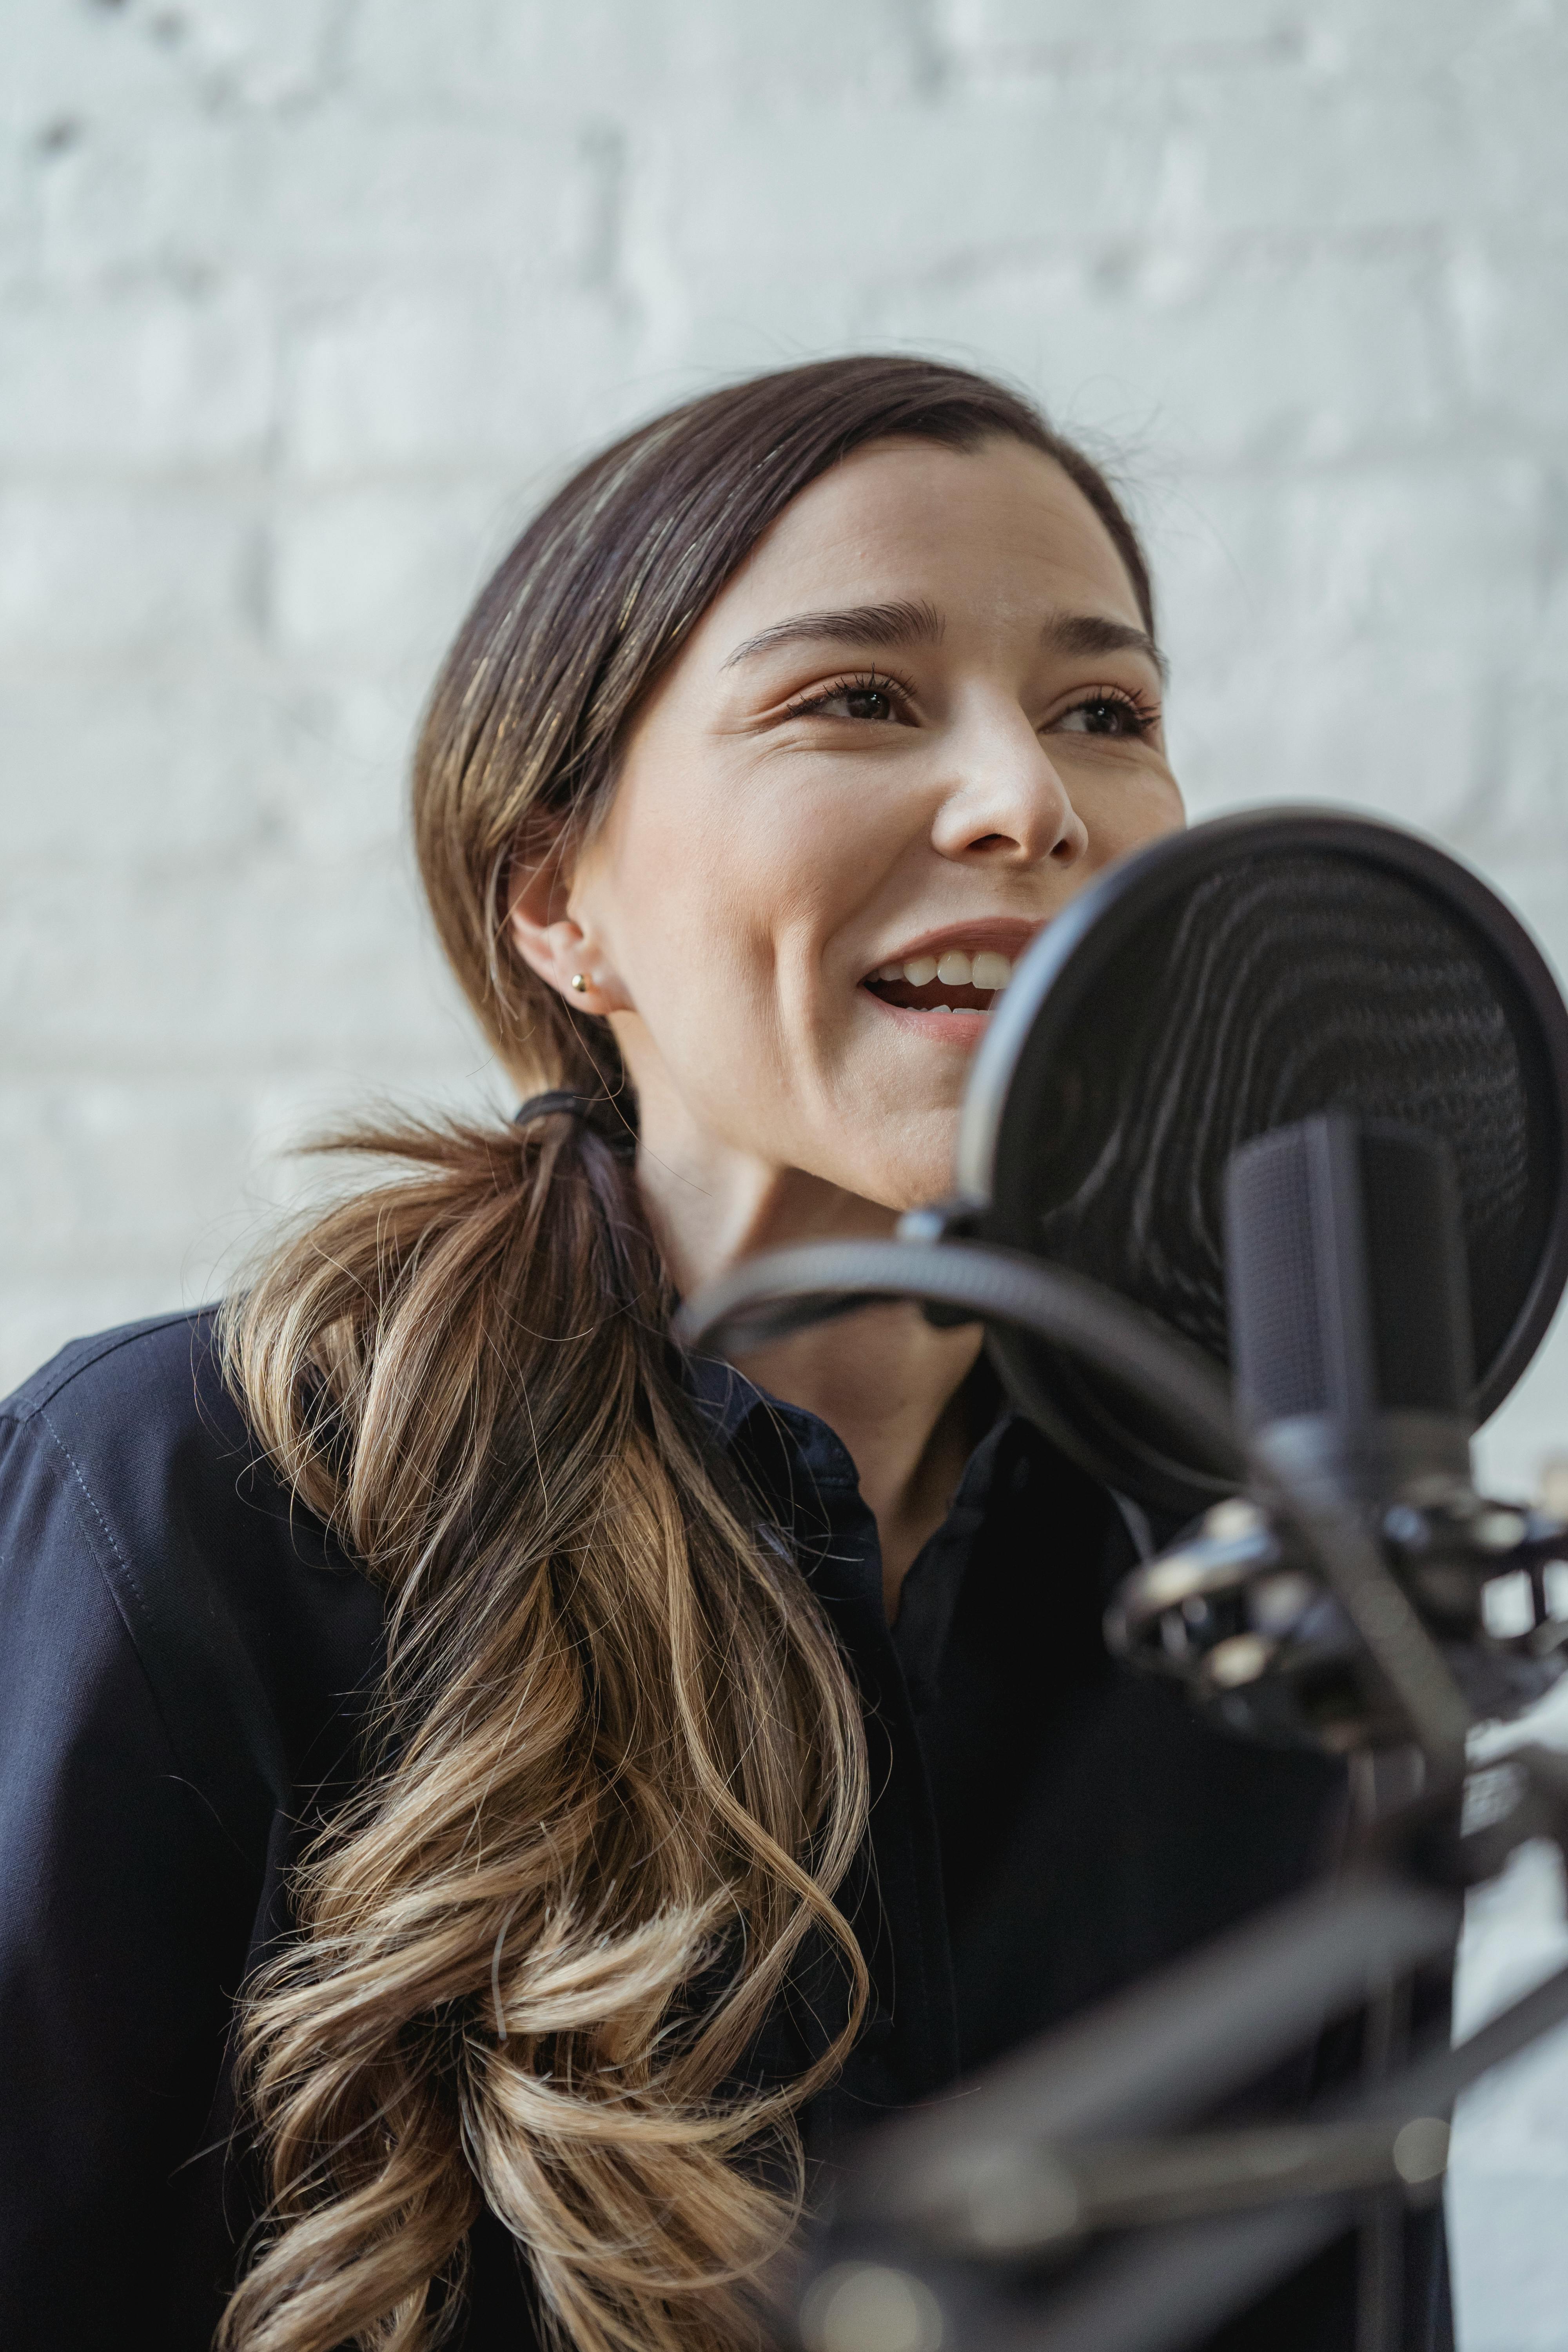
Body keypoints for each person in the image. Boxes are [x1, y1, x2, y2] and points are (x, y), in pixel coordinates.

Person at [0, 356, 1450, 2352]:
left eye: (1103, 713)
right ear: (555, 899)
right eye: (856, 695)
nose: (1029, 797)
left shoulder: (1258, 1592)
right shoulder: (184, 1496)